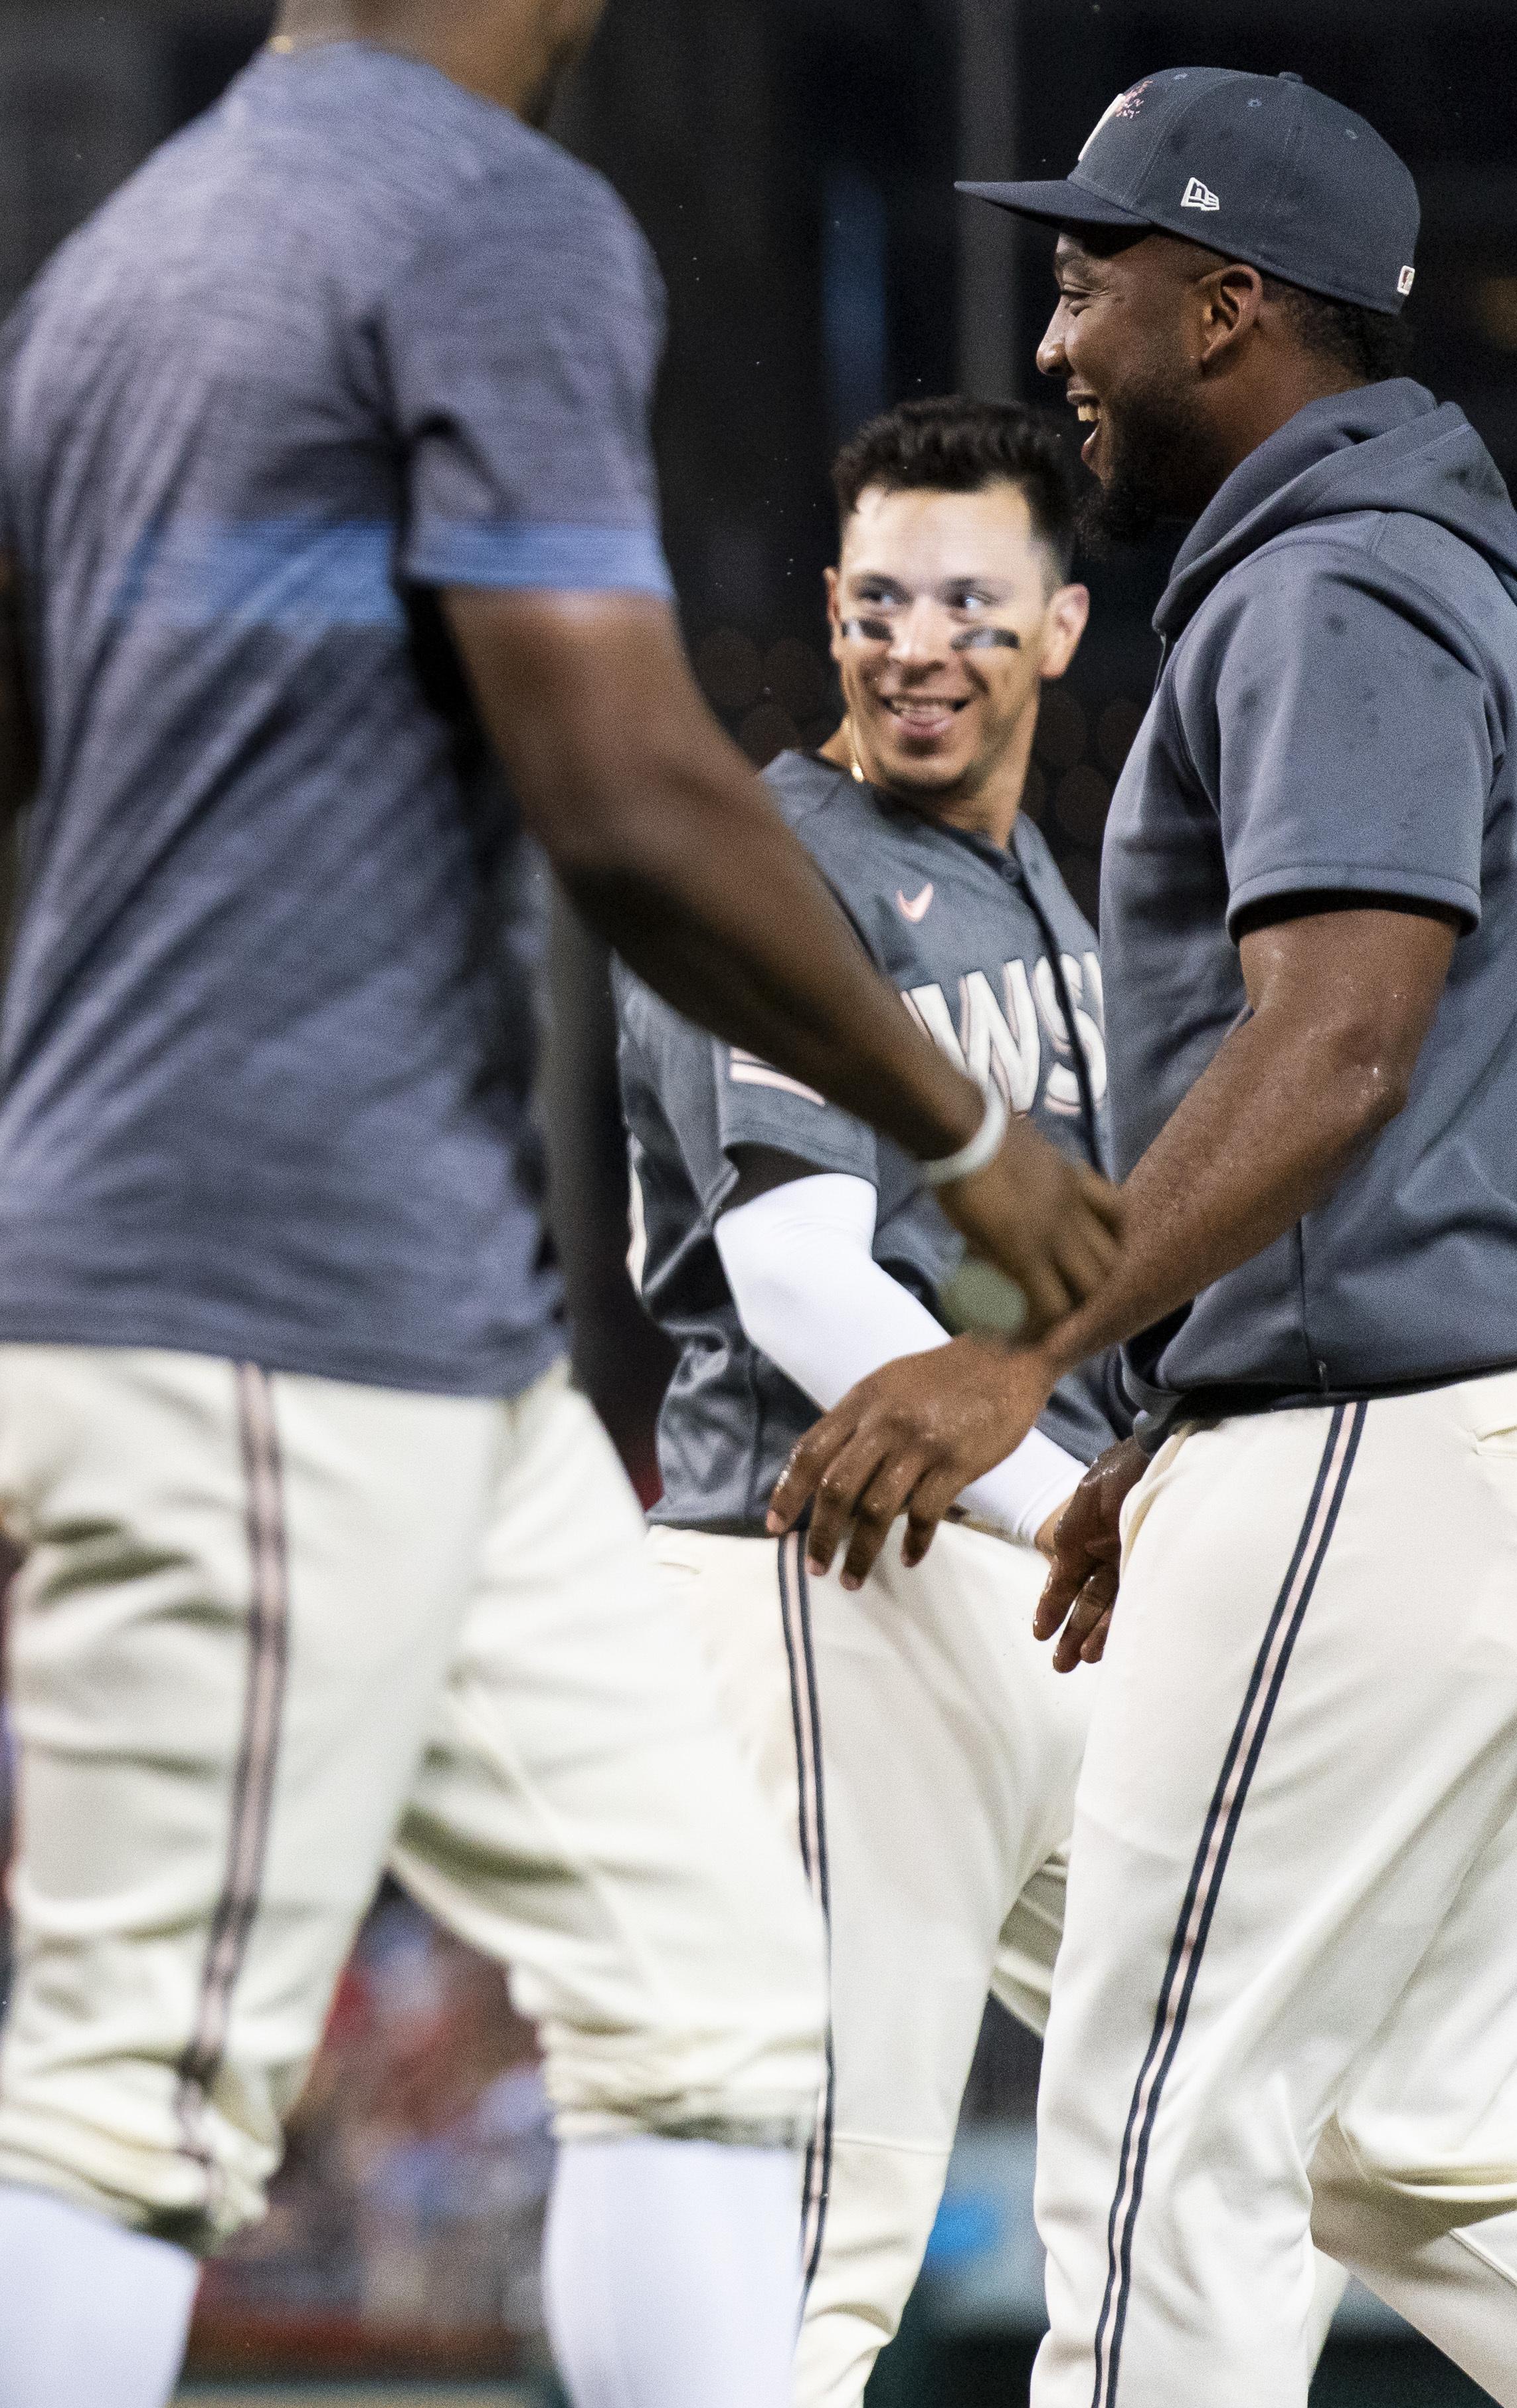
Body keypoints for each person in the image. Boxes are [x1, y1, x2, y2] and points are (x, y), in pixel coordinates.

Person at [0, 0, 1130, 2401]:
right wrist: (963, 1132)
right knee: (137, 2096)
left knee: (716, 1993)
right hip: (250, 1288)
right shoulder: (490, 214)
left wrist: (10, 1180)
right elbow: (625, 785)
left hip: (432, 1330)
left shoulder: (124, 263)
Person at [770, 68, 1517, 2406]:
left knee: (1159, 2134)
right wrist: (1154, 1420)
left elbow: (1337, 1047)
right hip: (1407, 1437)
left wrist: (1021, 1352)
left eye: (1095, 276)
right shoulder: (1408, 561)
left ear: (1230, 305)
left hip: (1373, 1453)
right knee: (1420, 2143)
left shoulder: (1336, 579)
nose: (1061, 330)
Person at [623, 397, 1124, 2405]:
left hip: (1027, 1580)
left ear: (1063, 628)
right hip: (823, 1577)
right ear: (832, 608)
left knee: (1271, 2075)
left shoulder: (1041, 894)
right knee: (827, 2234)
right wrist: (1105, 1511)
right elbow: (803, 1280)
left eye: (972, 601)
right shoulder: (773, 861)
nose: (920, 641)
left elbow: (1042, 1291)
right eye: (884, 596)